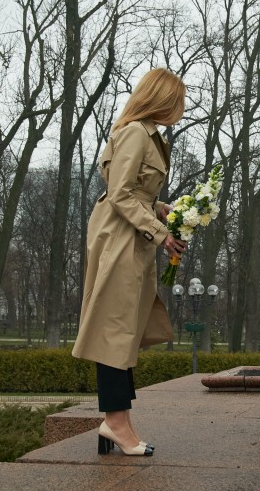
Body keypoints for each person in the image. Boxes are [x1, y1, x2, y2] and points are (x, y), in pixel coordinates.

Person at [72, 68, 188, 457]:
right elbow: (119, 194)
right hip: (121, 238)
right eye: (177, 101)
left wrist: (160, 208)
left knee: (120, 331)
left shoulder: (143, 133)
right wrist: (160, 232)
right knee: (115, 331)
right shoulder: (137, 133)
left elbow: (131, 193)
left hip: (129, 237)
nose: (180, 109)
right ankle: (116, 423)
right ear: (162, 99)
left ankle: (119, 421)